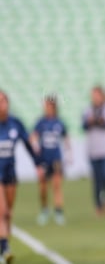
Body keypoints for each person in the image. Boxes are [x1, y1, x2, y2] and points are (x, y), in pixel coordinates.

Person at [0, 90, 38, 263]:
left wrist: (38, 163)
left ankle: (4, 244)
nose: (2, 104)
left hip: (10, 172)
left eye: (3, 101)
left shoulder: (15, 123)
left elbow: (28, 143)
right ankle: (5, 247)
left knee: (8, 212)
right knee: (1, 210)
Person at [31, 95, 70, 226]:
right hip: (43, 159)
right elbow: (33, 137)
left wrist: (69, 154)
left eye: (49, 105)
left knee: (57, 186)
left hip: (56, 159)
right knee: (43, 187)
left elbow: (66, 139)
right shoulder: (41, 122)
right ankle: (45, 210)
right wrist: (36, 148)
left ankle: (59, 212)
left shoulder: (59, 122)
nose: (47, 108)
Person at [82, 86, 105, 216]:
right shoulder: (87, 109)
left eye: (97, 95)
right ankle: (98, 205)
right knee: (97, 180)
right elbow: (84, 125)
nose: (95, 98)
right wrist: (94, 121)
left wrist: (95, 121)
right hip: (94, 150)